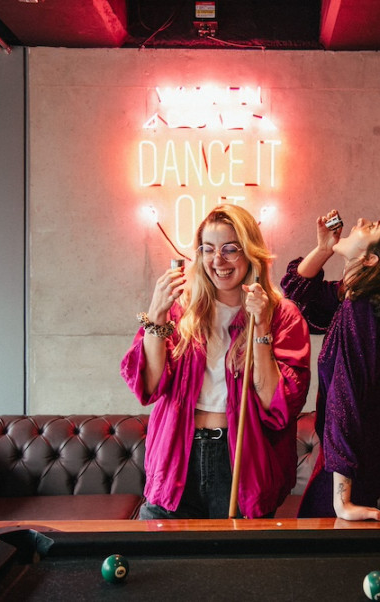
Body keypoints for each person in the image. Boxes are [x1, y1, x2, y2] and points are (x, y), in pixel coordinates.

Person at [121, 204, 310, 519]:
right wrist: (156, 316)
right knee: (159, 547)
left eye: (230, 249)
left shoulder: (282, 315)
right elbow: (148, 387)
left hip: (240, 461)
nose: (217, 260)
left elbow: (277, 407)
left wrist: (261, 328)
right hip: (176, 455)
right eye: (207, 249)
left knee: (236, 551)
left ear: (251, 252)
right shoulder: (182, 310)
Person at [281, 210, 380, 521]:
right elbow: (296, 295)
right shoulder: (353, 299)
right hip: (358, 454)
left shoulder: (361, 309)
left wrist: (342, 500)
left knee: (317, 535)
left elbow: (344, 399)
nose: (360, 221)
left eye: (371, 227)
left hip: (356, 457)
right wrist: (323, 248)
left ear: (371, 259)